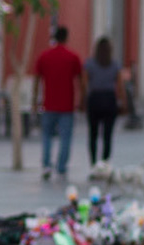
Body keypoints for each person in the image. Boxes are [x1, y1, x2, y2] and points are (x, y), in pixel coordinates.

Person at [31, 25, 85, 181]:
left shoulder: (44, 56)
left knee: (46, 136)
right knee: (65, 137)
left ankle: (47, 165)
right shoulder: (73, 57)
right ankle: (61, 167)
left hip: (48, 104)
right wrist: (82, 101)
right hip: (67, 105)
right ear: (67, 38)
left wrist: (35, 101)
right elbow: (81, 81)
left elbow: (36, 80)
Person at [84, 38, 127, 167]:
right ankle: (105, 163)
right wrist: (123, 103)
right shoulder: (115, 65)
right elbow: (120, 86)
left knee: (93, 134)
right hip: (109, 100)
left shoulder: (90, 64)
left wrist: (84, 101)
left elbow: (84, 84)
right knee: (107, 135)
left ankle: (93, 164)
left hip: (95, 99)